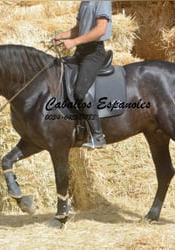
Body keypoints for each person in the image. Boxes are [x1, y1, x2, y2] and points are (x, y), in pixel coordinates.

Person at [53, 1, 112, 149]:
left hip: (94, 53)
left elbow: (100, 30)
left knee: (80, 91)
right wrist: (61, 36)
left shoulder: (102, 2)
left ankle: (98, 136)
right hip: (81, 52)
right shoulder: (85, 2)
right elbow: (79, 29)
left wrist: (74, 42)